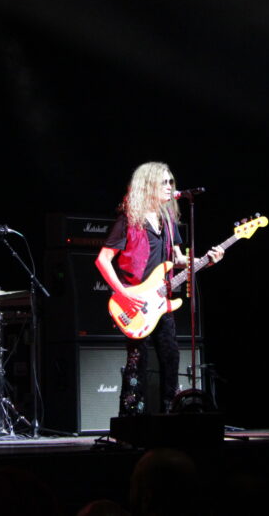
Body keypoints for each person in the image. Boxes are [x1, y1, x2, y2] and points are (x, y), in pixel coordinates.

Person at [95, 162, 223, 416]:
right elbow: (102, 260)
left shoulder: (168, 221)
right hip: (135, 302)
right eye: (163, 182)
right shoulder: (129, 220)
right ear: (148, 185)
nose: (169, 187)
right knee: (137, 361)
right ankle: (131, 419)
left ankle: (170, 413)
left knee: (171, 356)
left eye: (171, 182)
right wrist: (123, 292)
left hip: (162, 301)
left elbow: (178, 260)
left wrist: (206, 260)